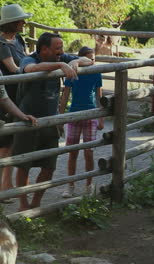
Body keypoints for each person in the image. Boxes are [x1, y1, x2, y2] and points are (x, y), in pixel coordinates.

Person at [14, 32, 93, 211]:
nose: (61, 52)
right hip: (28, 120)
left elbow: (89, 61)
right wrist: (60, 64)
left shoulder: (60, 56)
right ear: (44, 49)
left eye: (61, 49)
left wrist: (75, 62)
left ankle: (36, 203)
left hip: (50, 121)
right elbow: (30, 70)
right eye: (58, 49)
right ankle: (23, 204)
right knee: (23, 164)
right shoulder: (29, 59)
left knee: (49, 165)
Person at [59, 46, 103, 198]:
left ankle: (88, 184)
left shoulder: (96, 73)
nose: (92, 61)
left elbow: (99, 97)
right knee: (72, 152)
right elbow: (65, 95)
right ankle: (70, 185)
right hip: (74, 115)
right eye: (89, 58)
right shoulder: (72, 72)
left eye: (94, 58)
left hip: (90, 115)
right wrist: (60, 117)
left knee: (89, 152)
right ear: (81, 59)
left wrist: (101, 117)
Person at [0, 4, 32, 201]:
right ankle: (4, 185)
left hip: (17, 95)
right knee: (4, 143)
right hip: (5, 97)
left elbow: (26, 60)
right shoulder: (1, 44)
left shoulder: (19, 39)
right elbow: (13, 68)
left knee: (11, 142)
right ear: (13, 23)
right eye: (21, 20)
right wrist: (33, 66)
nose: (24, 23)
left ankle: (6, 184)